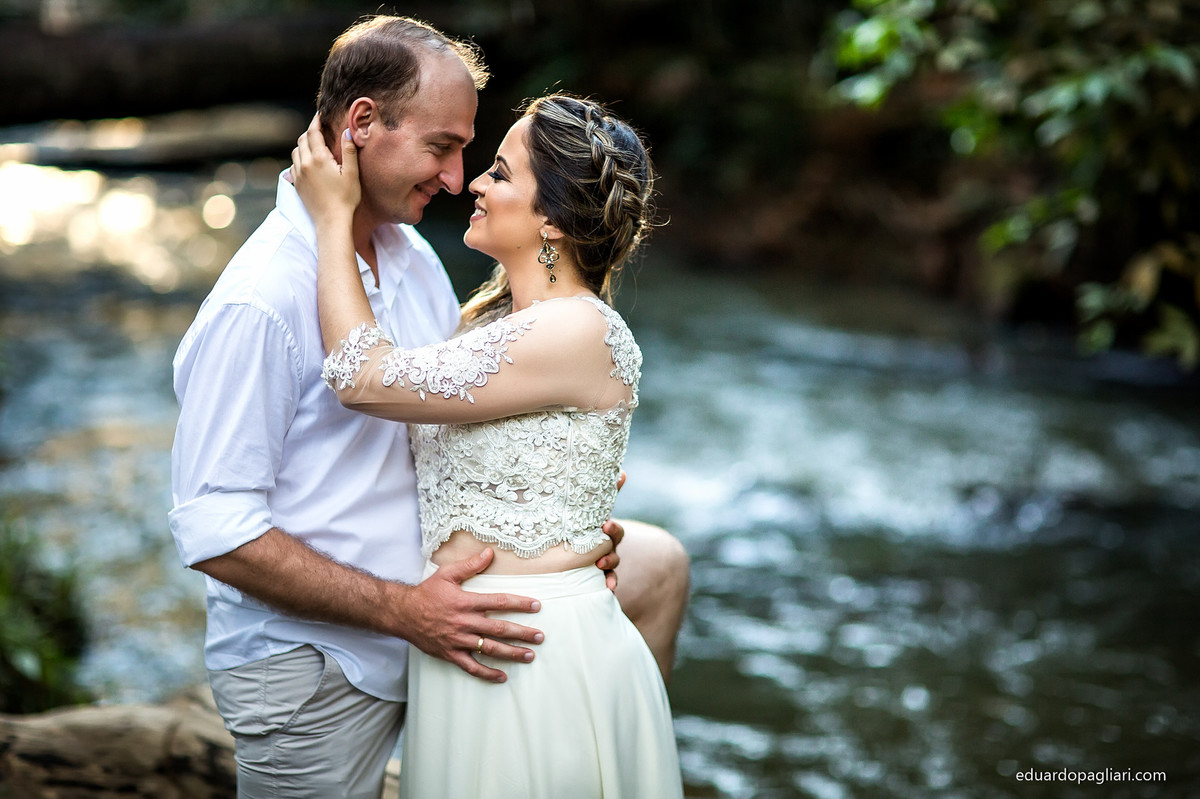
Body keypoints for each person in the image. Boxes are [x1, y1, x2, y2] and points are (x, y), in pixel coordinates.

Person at [167, 14, 688, 799]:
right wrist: (405, 610)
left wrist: (559, 511)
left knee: (653, 566)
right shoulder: (262, 298)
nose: (458, 179)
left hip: (442, 624)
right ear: (363, 124)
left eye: (480, 159)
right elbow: (214, 526)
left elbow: (461, 414)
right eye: (444, 148)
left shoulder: (414, 263)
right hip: (323, 662)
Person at [291, 82, 682, 795]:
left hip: (536, 658)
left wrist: (329, 220)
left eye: (501, 171)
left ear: (553, 222)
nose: (473, 181)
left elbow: (363, 377)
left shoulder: (579, 327)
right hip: (469, 644)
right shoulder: (490, 321)